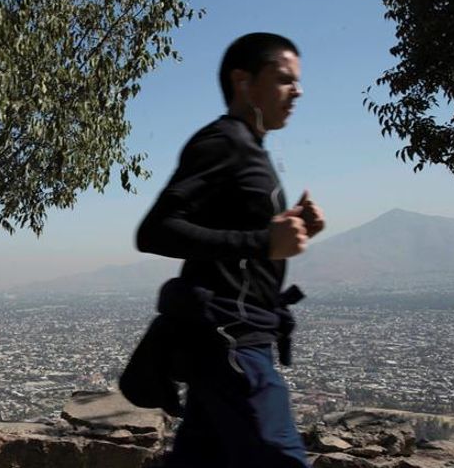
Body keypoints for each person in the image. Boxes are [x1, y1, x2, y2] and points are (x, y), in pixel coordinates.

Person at [130, 33, 325, 467]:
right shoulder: (224, 141)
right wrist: (262, 241)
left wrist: (286, 226)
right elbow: (155, 231)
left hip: (223, 342)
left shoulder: (248, 147)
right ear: (243, 81)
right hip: (232, 343)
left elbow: (235, 233)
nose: (298, 91)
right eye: (283, 80)